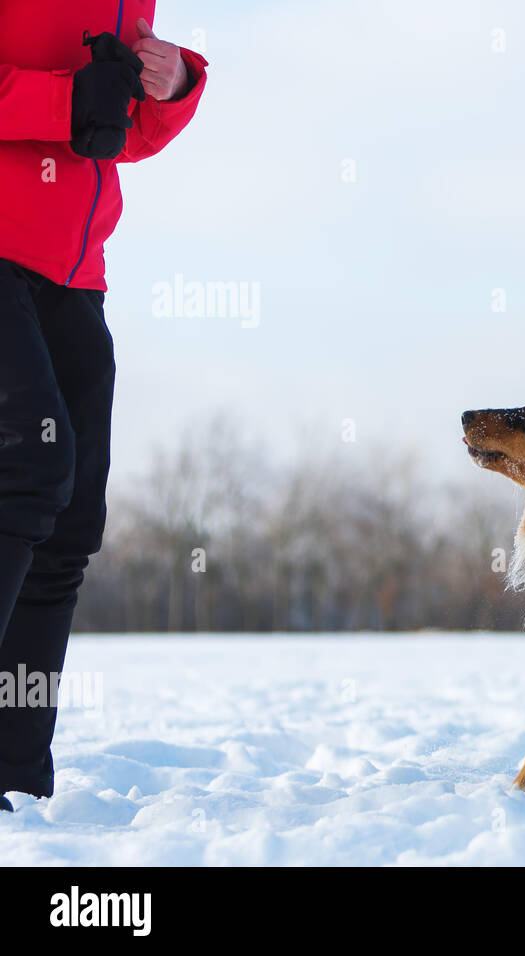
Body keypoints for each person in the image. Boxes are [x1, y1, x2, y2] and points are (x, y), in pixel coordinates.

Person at [0, 4, 208, 809]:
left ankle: (15, 783)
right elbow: (73, 109)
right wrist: (61, 101)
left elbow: (113, 135)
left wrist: (173, 85)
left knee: (70, 520)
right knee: (29, 467)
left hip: (73, 269)